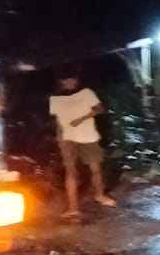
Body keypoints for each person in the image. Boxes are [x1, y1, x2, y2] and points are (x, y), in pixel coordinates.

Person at [48, 71, 113, 220]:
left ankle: (100, 195)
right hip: (68, 139)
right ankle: (73, 208)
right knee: (71, 172)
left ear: (76, 81)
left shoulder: (86, 93)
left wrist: (82, 118)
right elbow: (58, 121)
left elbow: (100, 109)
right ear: (60, 83)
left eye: (72, 81)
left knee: (95, 169)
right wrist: (59, 138)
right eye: (66, 81)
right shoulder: (55, 99)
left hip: (88, 136)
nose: (69, 84)